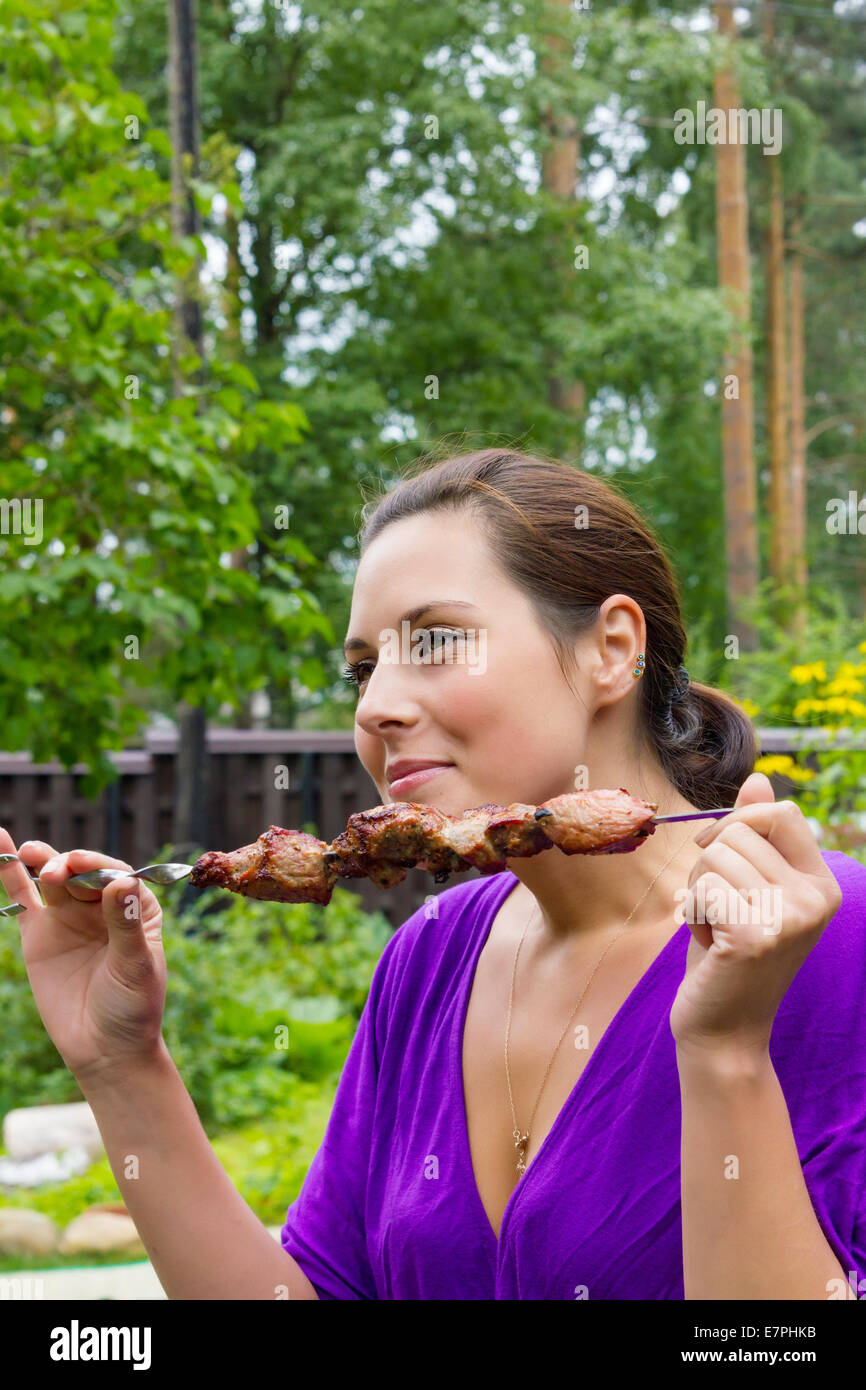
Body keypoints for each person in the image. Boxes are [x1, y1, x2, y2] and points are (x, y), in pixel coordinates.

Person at [2, 446, 864, 1301]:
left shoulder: (827, 937)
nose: (375, 706)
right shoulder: (430, 957)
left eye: (437, 641)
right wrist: (122, 1064)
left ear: (611, 648)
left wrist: (724, 1054)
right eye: (363, 668)